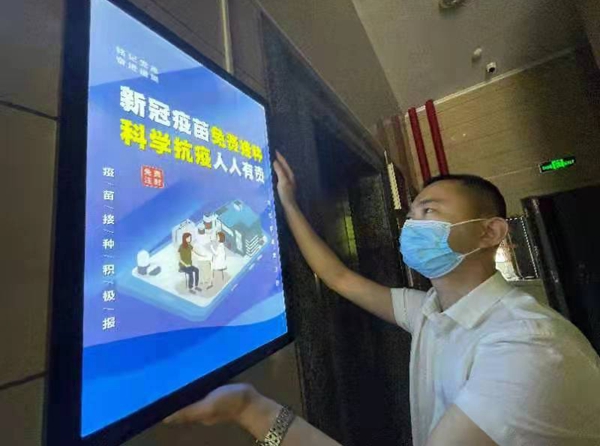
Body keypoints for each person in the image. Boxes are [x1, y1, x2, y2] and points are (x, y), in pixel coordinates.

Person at [166, 152, 600, 445]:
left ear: (490, 232)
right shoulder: (431, 311)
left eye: (429, 212)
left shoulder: (526, 345)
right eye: (410, 216)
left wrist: (252, 411)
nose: (412, 227)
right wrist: (288, 202)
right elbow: (338, 277)